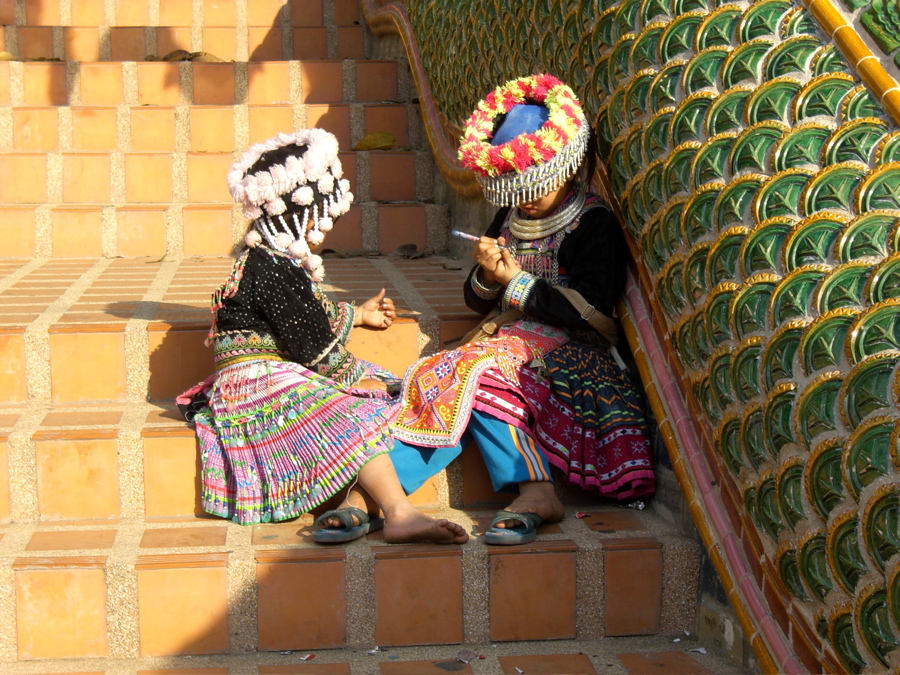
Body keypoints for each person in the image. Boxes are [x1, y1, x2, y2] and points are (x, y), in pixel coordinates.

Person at [387, 74, 655, 544]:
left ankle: (534, 490)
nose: (527, 201)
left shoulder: (593, 224)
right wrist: (489, 275)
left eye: (537, 187)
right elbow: (476, 300)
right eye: (516, 189)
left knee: (481, 372)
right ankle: (382, 493)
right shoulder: (511, 216)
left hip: (576, 351)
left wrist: (518, 283)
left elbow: (591, 310)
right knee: (449, 374)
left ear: (567, 170)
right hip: (511, 341)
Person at [183, 129, 467, 545]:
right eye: (322, 213)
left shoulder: (269, 262)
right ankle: (398, 512)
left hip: (268, 374)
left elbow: (301, 319)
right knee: (366, 406)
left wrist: (356, 316)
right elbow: (314, 348)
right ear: (308, 213)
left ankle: (359, 504)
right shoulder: (273, 268)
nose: (323, 224)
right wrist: (354, 379)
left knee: (406, 395)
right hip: (259, 386)